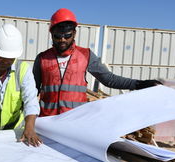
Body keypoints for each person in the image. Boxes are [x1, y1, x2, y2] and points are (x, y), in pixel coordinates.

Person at [33, 8, 162, 117]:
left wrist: (139, 84)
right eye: (57, 36)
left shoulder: (86, 55)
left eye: (67, 36)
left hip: (75, 121)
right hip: (47, 121)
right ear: (51, 34)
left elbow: (109, 79)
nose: (62, 40)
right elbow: (32, 91)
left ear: (74, 33)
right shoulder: (42, 59)